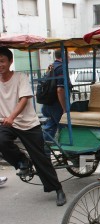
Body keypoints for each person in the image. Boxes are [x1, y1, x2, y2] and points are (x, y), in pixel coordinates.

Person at [0, 47, 66, 206]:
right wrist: (7, 119)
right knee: (1, 140)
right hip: (6, 123)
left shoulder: (20, 77)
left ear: (10, 61)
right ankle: (22, 161)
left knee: (40, 157)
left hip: (27, 123)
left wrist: (12, 117)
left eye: (2, 61)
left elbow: (24, 99)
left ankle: (58, 189)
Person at [42, 49, 71, 141]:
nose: (69, 58)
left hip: (48, 103)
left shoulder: (51, 67)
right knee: (64, 128)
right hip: (57, 105)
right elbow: (60, 89)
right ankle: (67, 151)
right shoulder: (62, 68)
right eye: (68, 55)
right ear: (64, 56)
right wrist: (64, 108)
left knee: (50, 126)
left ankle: (45, 151)